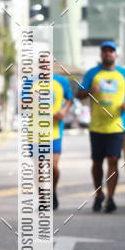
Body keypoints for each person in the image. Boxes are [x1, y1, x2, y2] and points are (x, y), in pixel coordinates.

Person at [76, 41, 125, 212]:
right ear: (101, 55)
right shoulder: (92, 73)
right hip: (97, 126)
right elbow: (78, 94)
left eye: (111, 51)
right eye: (105, 51)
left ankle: (110, 198)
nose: (108, 54)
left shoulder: (123, 74)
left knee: (113, 160)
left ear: (116, 55)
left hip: (117, 125)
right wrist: (90, 90)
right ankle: (99, 194)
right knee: (97, 162)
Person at [51, 72, 73, 210]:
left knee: (53, 167)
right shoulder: (30, 82)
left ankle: (52, 192)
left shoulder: (61, 81)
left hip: (55, 131)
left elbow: (70, 99)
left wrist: (64, 111)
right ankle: (43, 198)